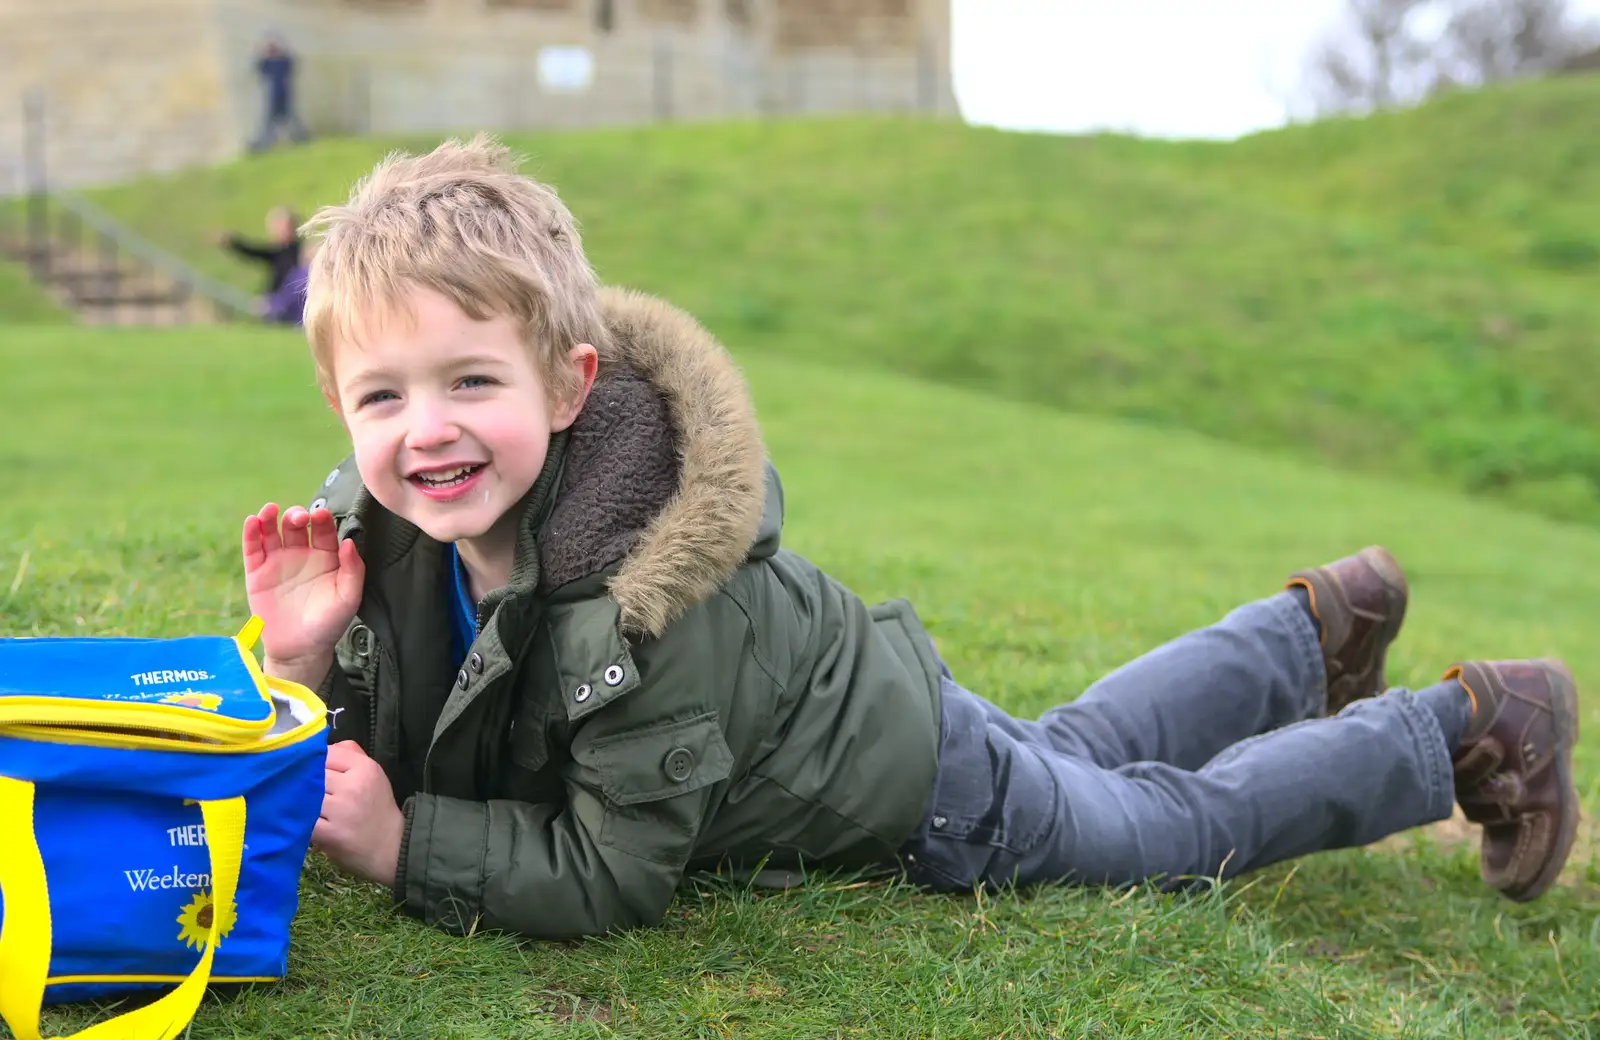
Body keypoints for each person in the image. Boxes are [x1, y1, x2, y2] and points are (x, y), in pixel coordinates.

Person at [240, 135, 1581, 941]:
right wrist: (307, 657)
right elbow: (417, 722)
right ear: (336, 403)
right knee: (1080, 749)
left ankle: (1468, 728)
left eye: (473, 382)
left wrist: (411, 851)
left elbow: (613, 866)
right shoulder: (392, 534)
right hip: (884, 705)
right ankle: (1312, 628)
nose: (428, 430)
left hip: (919, 785)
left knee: (1170, 831)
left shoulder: (642, 592)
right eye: (384, 396)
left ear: (571, 385)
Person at [213, 206, 302, 302]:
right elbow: (253, 251)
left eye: (285, 226)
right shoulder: (277, 251)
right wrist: (231, 242)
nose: (282, 231)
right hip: (277, 300)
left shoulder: (300, 250)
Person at [249, 36, 309, 152]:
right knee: (270, 122)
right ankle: (263, 144)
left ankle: (301, 138)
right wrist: (261, 54)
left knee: (292, 119)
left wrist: (284, 51)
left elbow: (292, 64)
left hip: (284, 94)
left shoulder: (284, 61)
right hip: (273, 96)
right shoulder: (267, 62)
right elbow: (259, 68)